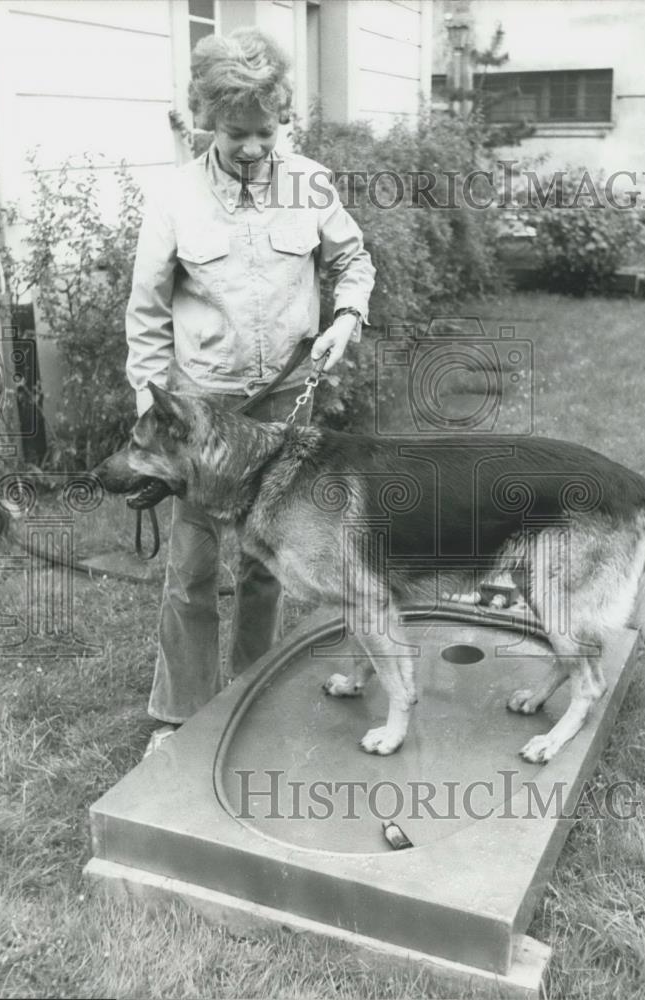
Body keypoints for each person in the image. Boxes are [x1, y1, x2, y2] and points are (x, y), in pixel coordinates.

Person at [124, 28, 376, 743]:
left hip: (285, 407)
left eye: (267, 130)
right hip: (202, 411)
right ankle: (180, 715)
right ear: (209, 121)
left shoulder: (310, 183)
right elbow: (145, 313)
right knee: (194, 567)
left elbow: (354, 262)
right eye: (238, 133)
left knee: (269, 561)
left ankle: (250, 691)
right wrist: (154, 410)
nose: (255, 147)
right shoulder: (174, 196)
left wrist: (346, 318)